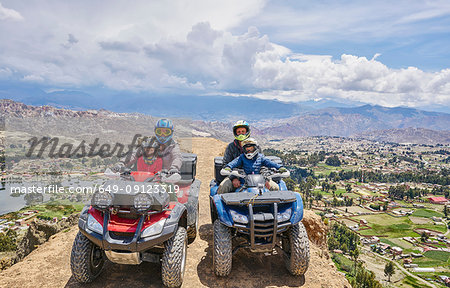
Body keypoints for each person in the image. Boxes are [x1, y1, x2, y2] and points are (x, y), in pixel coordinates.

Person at [217, 138, 287, 194]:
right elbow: (233, 163)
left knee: (275, 187)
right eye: (246, 148)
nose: (249, 150)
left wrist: (280, 167)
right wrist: (228, 168)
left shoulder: (260, 157)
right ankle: (221, 208)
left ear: (255, 148)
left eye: (251, 148)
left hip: (260, 181)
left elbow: (270, 163)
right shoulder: (242, 157)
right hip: (243, 182)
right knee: (224, 187)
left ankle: (275, 208)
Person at [114, 118, 182, 174]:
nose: (162, 134)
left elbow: (177, 157)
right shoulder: (150, 142)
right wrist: (121, 163)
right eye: (159, 131)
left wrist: (174, 168)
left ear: (171, 132)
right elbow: (134, 154)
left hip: (167, 177)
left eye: (166, 132)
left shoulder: (173, 146)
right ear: (155, 132)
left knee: (169, 189)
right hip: (147, 176)